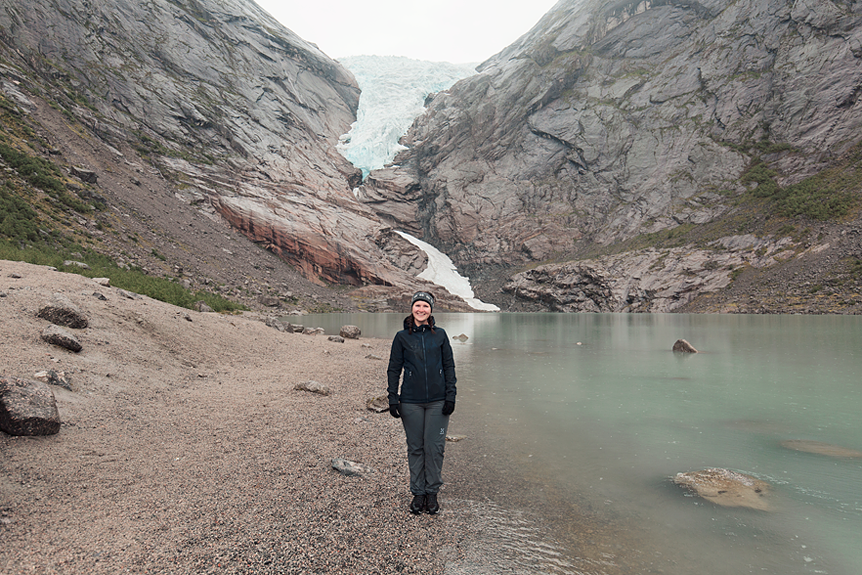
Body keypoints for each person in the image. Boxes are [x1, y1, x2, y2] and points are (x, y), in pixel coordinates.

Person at [387, 291, 457, 515]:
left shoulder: (441, 335)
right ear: (412, 308)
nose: (421, 309)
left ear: (431, 310)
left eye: (425, 306)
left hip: (438, 401)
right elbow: (394, 369)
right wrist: (392, 397)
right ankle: (418, 493)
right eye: (417, 305)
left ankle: (432, 492)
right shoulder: (401, 337)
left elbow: (449, 367)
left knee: (435, 447)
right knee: (416, 448)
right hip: (410, 402)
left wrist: (451, 395)